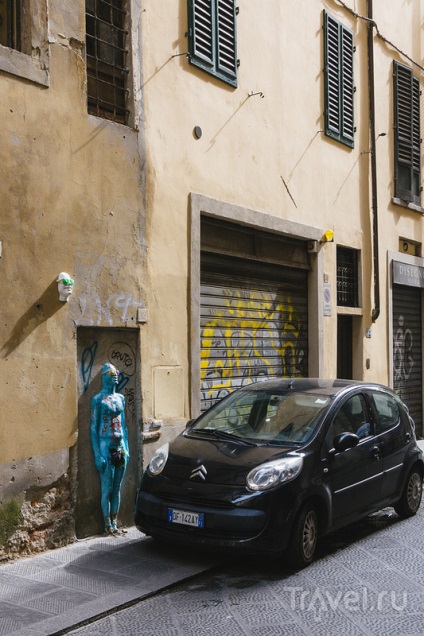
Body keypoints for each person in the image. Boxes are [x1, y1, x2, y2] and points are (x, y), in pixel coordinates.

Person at [90, 363, 130, 534]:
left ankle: (115, 521)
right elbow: (93, 428)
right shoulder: (98, 400)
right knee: (107, 487)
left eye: (117, 372)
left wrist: (126, 448)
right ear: (104, 376)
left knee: (117, 487)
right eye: (111, 372)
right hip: (105, 446)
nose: (115, 375)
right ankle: (107, 525)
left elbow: (124, 425)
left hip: (119, 447)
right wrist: (97, 454)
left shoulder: (120, 398)